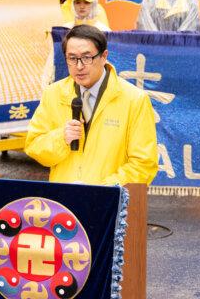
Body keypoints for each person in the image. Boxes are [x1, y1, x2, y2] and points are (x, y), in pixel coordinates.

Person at [24, 24, 158, 185]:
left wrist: (101, 191)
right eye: (72, 58)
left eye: (87, 58)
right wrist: (61, 138)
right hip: (64, 203)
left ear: (104, 56)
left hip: (108, 203)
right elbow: (34, 146)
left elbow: (144, 164)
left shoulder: (134, 100)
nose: (79, 66)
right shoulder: (53, 94)